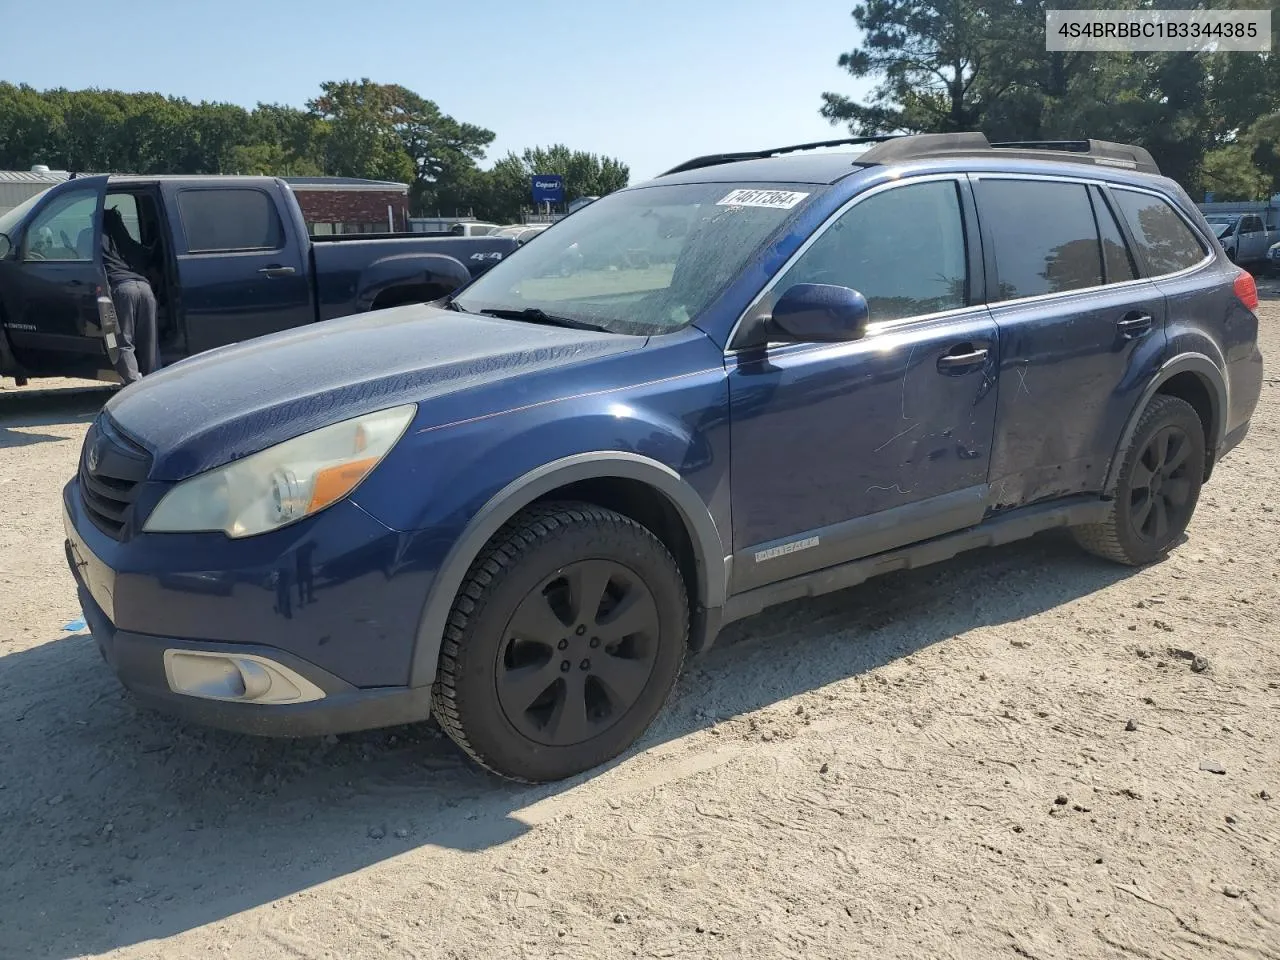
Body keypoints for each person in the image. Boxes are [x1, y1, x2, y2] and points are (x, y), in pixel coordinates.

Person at [101, 206, 158, 384]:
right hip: (145, 288)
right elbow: (144, 254)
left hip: (122, 289)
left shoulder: (94, 239)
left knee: (124, 341)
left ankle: (133, 384)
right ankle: (155, 381)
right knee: (149, 342)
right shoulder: (123, 239)